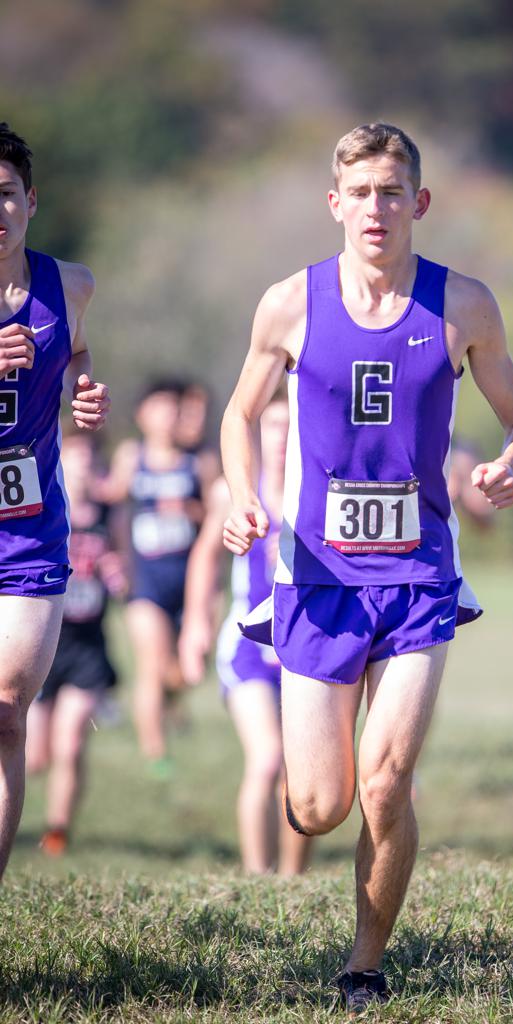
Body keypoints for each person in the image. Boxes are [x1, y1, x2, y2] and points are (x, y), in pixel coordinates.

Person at [220, 123, 513, 1010]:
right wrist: (244, 493)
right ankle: (313, 801)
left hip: (417, 576)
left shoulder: (462, 306)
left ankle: (365, 966)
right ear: (335, 205)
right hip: (317, 577)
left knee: (386, 781)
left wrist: (506, 469)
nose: (376, 208)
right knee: (320, 805)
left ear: (419, 203)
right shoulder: (289, 304)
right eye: (359, 193)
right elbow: (239, 414)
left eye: (392, 191)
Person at [0, 122, 110, 881]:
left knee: (8, 711)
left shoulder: (69, 284)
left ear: (30, 201)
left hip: (30, 529)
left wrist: (83, 392)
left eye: (5, 195)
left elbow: (72, 351)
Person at [179, 393, 311, 875]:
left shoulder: (317, 491)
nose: (281, 437)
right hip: (248, 648)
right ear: (257, 431)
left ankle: (293, 880)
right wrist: (195, 623)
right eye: (273, 425)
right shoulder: (232, 492)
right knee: (268, 757)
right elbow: (205, 556)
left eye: (292, 425)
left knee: (306, 773)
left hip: (307, 648)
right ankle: (258, 877)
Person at [106, 379, 214, 775]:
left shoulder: (198, 461)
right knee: (151, 665)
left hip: (190, 582)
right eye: (160, 407)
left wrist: (189, 510)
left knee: (186, 671)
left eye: (174, 408)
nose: (169, 415)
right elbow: (110, 503)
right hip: (145, 581)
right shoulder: (131, 456)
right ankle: (156, 753)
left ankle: (172, 698)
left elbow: (215, 516)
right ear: (143, 415)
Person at [25, 432, 125, 855]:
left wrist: (114, 570)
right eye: (73, 459)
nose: (82, 468)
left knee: (71, 744)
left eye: (88, 460)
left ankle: (57, 832)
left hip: (87, 647)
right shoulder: (45, 506)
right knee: (35, 757)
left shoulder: (108, 514)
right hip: (41, 639)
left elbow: (127, 580)